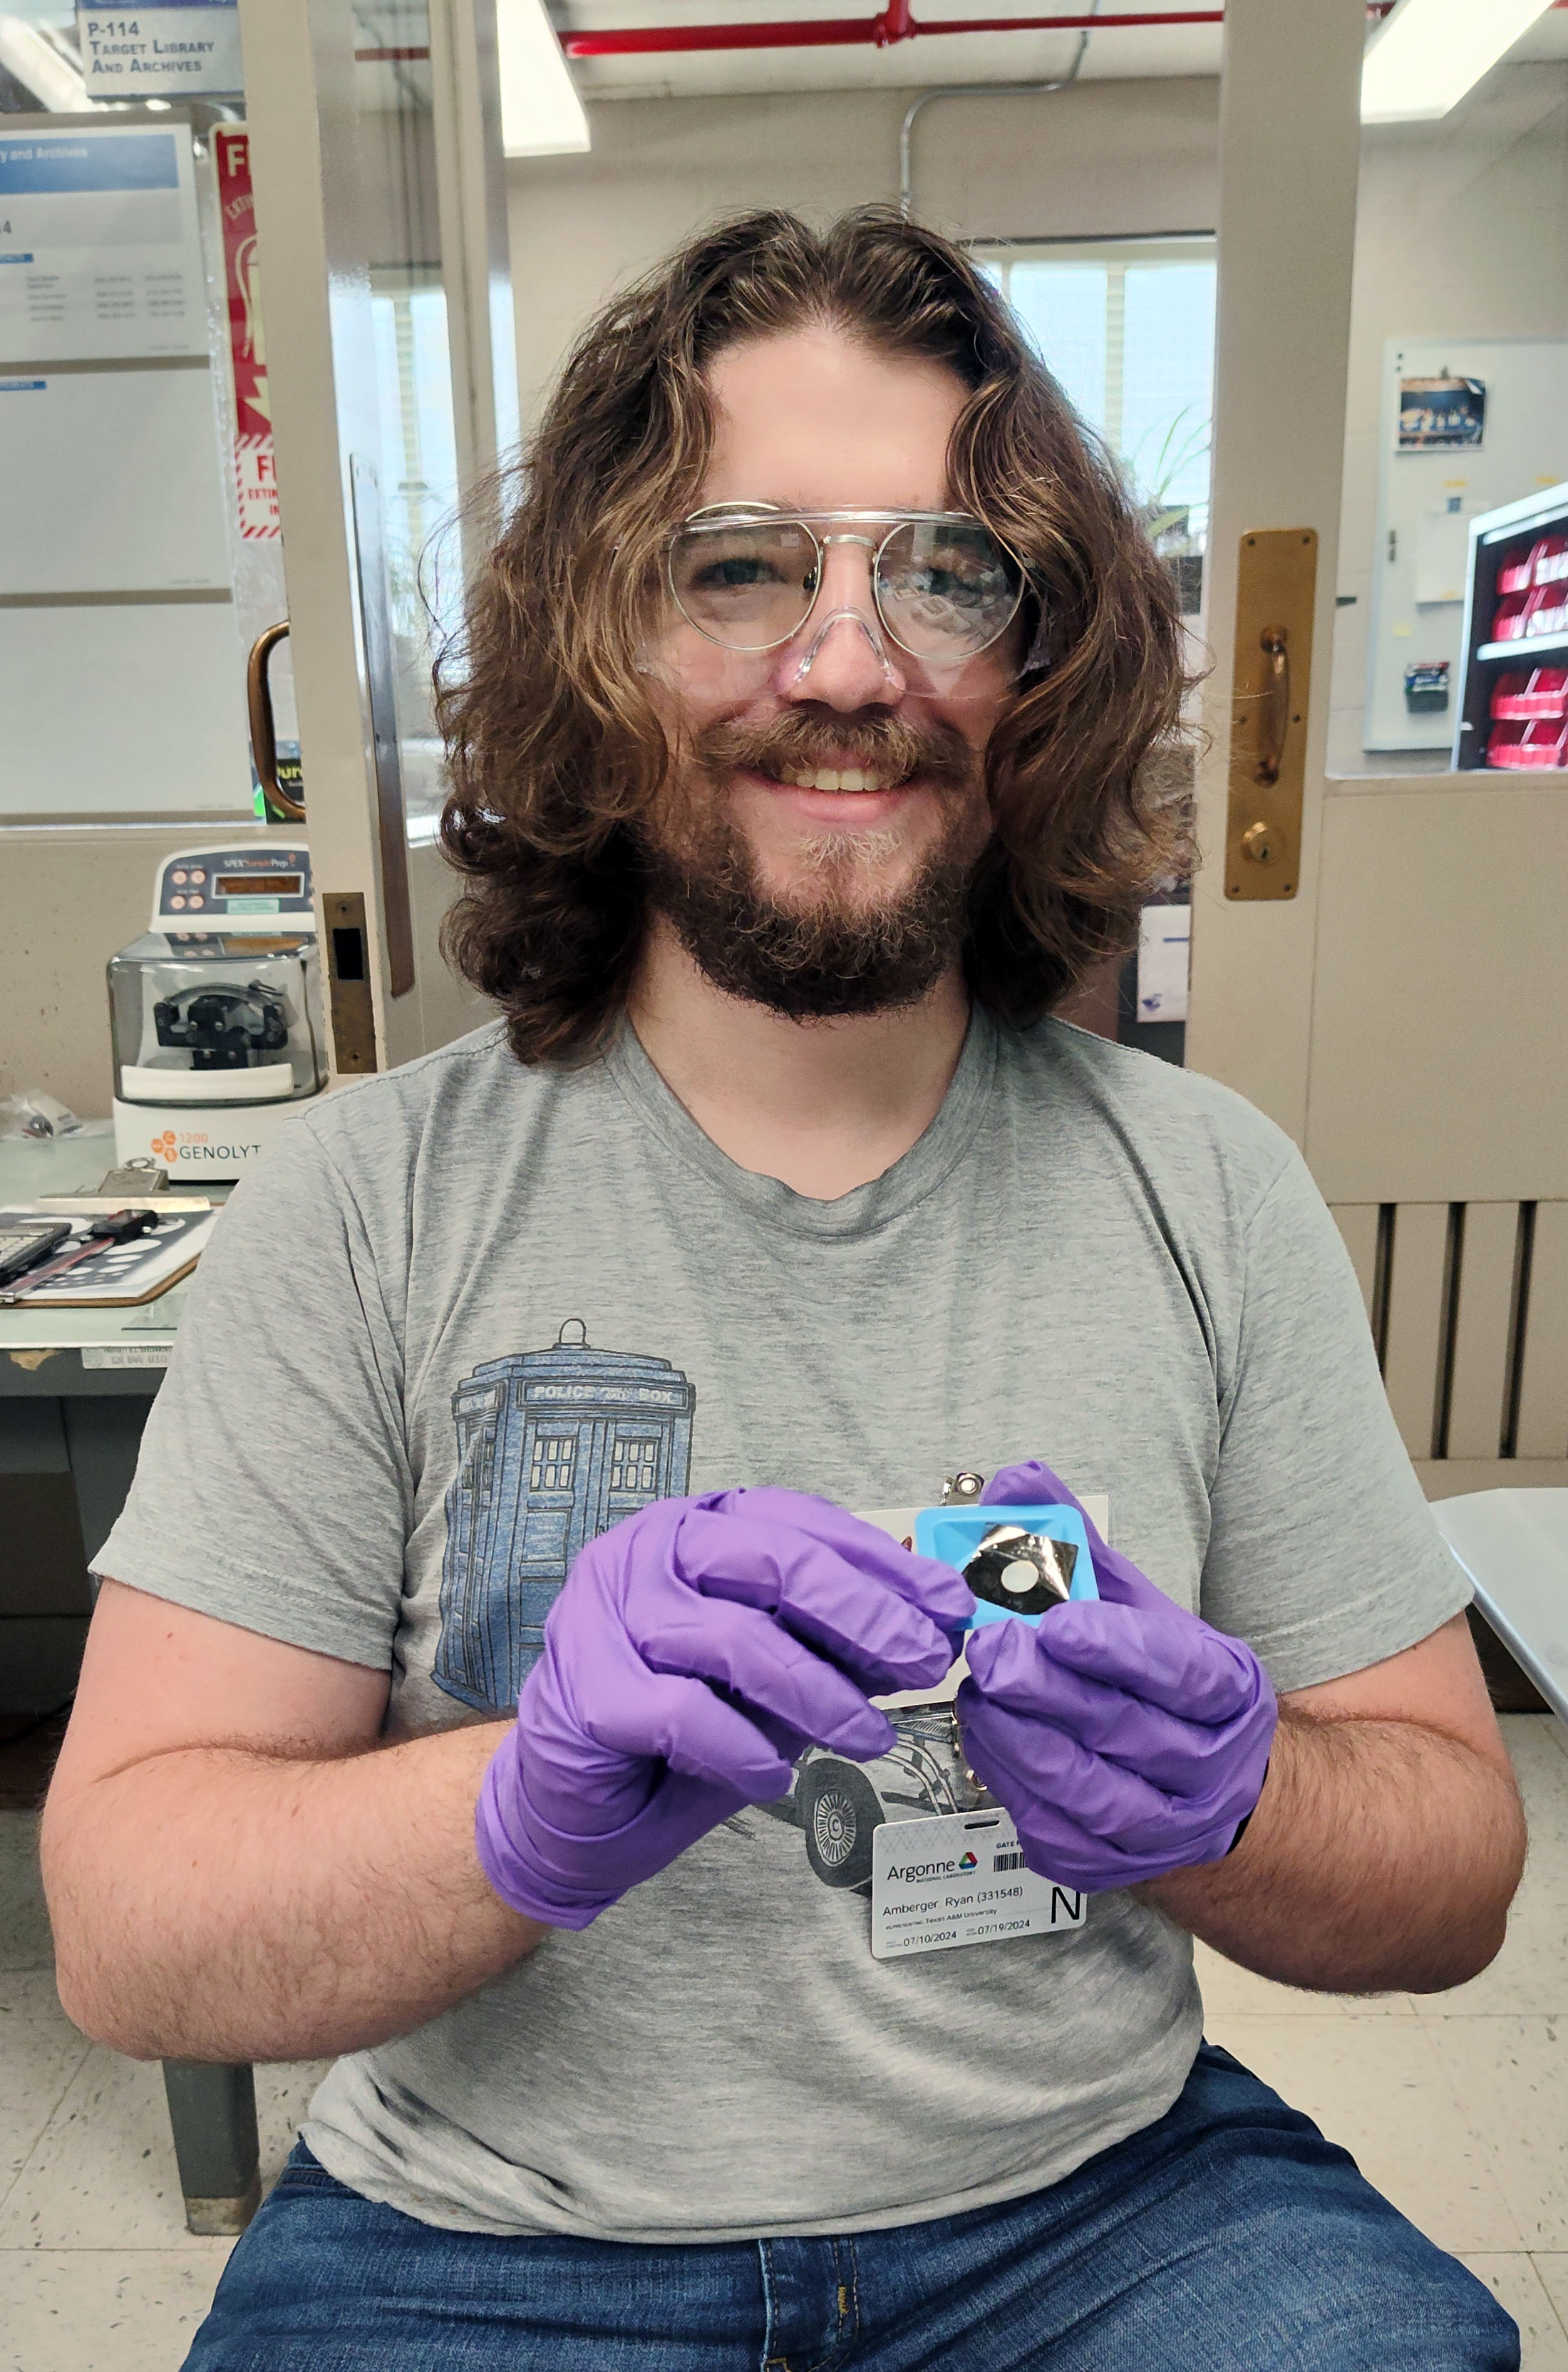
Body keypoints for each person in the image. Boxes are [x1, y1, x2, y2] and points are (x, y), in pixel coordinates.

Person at [43, 209, 1525, 2370]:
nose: (847, 666)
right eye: (740, 567)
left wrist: (1238, 1805)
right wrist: (515, 1806)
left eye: (944, 574)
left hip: (1098, 2208)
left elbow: (1457, 1860)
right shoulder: (367, 1200)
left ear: (1040, 673)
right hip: (484, 2237)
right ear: (599, 650)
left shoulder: (1211, 1191)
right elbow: (126, 1936)